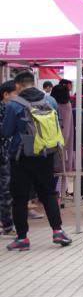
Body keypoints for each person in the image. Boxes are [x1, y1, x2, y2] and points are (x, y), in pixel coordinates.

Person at [2, 71, 73, 251]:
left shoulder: (14, 104)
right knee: (48, 193)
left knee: (20, 198)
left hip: (21, 158)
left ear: (18, 85)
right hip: (46, 155)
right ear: (33, 83)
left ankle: (22, 238)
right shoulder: (50, 101)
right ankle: (58, 231)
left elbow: (6, 132)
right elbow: (58, 124)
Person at [0, 81, 16, 235]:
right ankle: (7, 225)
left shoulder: (9, 109)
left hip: (6, 155)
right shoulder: (5, 111)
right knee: (5, 191)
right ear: (6, 95)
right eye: (15, 94)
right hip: (3, 156)